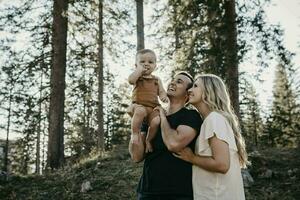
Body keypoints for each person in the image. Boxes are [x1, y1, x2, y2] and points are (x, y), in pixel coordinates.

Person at [129, 71, 203, 200]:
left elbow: (174, 144)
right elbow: (136, 156)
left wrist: (163, 117)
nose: (172, 82)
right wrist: (135, 125)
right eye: (173, 79)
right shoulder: (151, 116)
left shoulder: (190, 116)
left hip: (178, 193)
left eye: (179, 81)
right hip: (147, 192)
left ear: (187, 94)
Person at [174, 74, 248, 200]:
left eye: (195, 86)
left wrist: (191, 158)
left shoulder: (214, 119)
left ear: (208, 92)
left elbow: (222, 164)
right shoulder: (211, 120)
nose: (189, 90)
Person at [128, 49, 169, 153]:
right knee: (140, 112)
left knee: (156, 121)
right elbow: (131, 80)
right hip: (139, 105)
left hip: (153, 107)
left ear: (155, 65)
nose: (146, 64)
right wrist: (138, 71)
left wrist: (163, 96)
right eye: (142, 62)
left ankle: (148, 140)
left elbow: (161, 91)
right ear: (136, 65)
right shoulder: (138, 77)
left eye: (150, 62)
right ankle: (135, 134)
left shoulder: (157, 79)